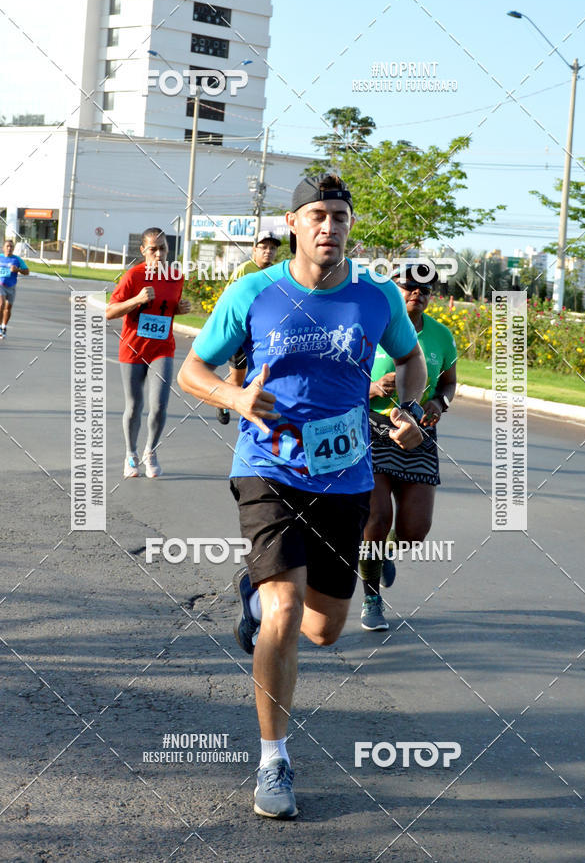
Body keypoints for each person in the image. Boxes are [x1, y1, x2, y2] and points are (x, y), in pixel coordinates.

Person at [177, 174, 427, 819]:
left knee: (322, 631)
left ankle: (255, 600)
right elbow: (192, 369)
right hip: (270, 468)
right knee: (285, 612)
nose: (329, 226)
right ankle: (274, 761)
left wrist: (407, 408)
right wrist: (233, 397)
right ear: (293, 223)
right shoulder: (254, 292)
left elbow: (411, 359)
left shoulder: (375, 298)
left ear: (349, 225)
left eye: (340, 216)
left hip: (345, 477)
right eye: (316, 214)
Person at [359, 261, 457, 631]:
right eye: (409, 286)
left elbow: (448, 383)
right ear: (393, 289)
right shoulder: (371, 323)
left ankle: (381, 555)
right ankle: (371, 597)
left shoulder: (442, 335)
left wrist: (439, 403)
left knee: (415, 530)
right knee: (377, 518)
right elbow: (337, 376)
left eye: (426, 289)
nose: (418, 293)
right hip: (371, 427)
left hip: (418, 430)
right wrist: (370, 388)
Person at [106, 227, 191, 478]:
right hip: (133, 349)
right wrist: (136, 300)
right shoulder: (134, 276)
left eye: (163, 248)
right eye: (153, 249)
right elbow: (110, 312)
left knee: (159, 405)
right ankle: (130, 455)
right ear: (143, 251)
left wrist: (179, 309)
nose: (159, 253)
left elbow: (166, 308)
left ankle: (150, 451)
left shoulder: (176, 276)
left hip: (162, 348)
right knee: (134, 406)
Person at [217, 230, 281, 425]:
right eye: (263, 247)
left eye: (272, 248)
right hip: (240, 330)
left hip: (260, 332)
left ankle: (258, 409)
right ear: (254, 250)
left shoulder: (275, 273)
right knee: (237, 379)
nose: (268, 251)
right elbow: (233, 301)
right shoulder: (245, 270)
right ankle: (223, 401)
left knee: (262, 373)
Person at [0, 237, 29, 339]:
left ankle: (4, 327)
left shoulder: (17, 259)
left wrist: (17, 270)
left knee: (8, 308)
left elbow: (27, 272)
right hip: (0, 285)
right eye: (7, 246)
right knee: (1, 304)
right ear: (3, 248)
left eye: (11, 247)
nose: (9, 248)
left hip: (11, 286)